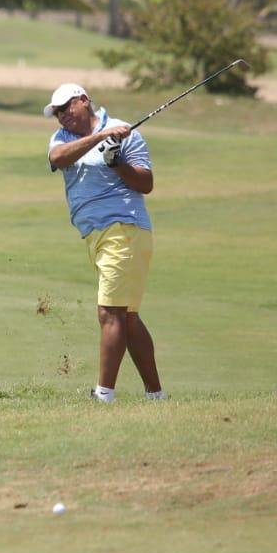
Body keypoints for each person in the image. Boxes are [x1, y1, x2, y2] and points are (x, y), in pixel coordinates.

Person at [44, 82, 166, 403]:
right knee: (127, 317)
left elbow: (146, 183)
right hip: (96, 235)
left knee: (109, 312)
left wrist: (116, 162)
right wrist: (99, 140)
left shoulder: (126, 134)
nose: (62, 116)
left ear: (84, 101)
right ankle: (156, 395)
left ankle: (104, 394)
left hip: (123, 227)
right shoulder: (63, 139)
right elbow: (58, 157)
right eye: (57, 113)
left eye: (66, 107)